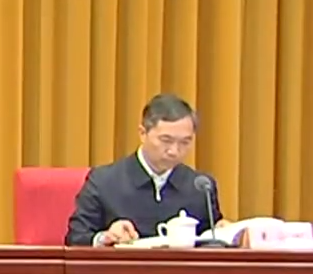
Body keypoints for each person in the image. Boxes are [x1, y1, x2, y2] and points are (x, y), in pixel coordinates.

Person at [67, 92, 222, 247]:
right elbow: (76, 238)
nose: (174, 151)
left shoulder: (200, 186)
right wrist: (105, 238)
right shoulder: (104, 182)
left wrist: (224, 232)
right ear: (143, 133)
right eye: (166, 140)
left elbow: (212, 239)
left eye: (185, 142)